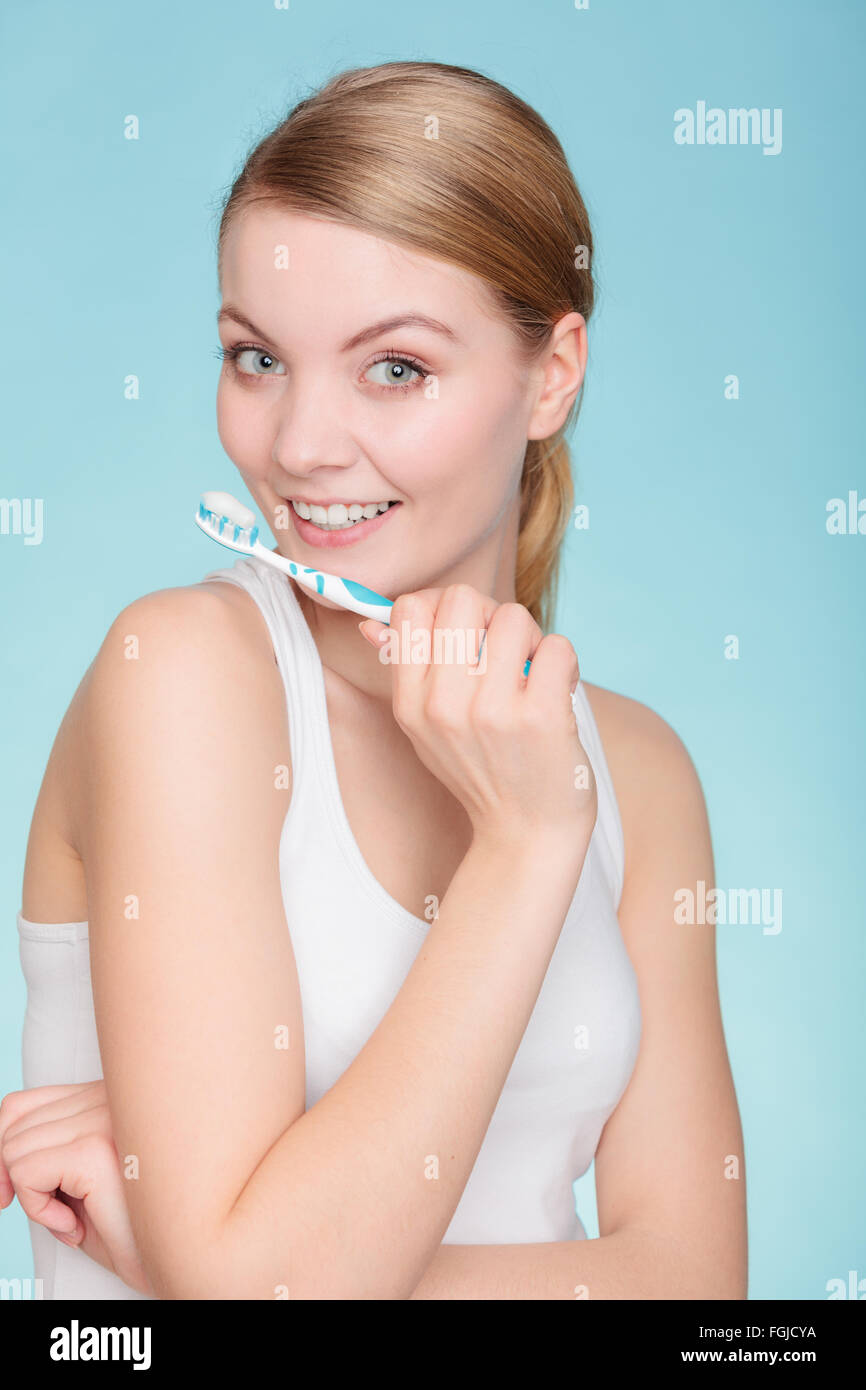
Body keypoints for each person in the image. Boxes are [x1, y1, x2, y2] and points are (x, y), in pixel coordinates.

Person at [0, 60, 746, 1300]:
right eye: (255, 359)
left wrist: (237, 1260)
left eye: (393, 367)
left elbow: (707, 1309)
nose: (296, 447)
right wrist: (521, 847)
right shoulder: (181, 679)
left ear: (551, 374)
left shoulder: (640, 771)